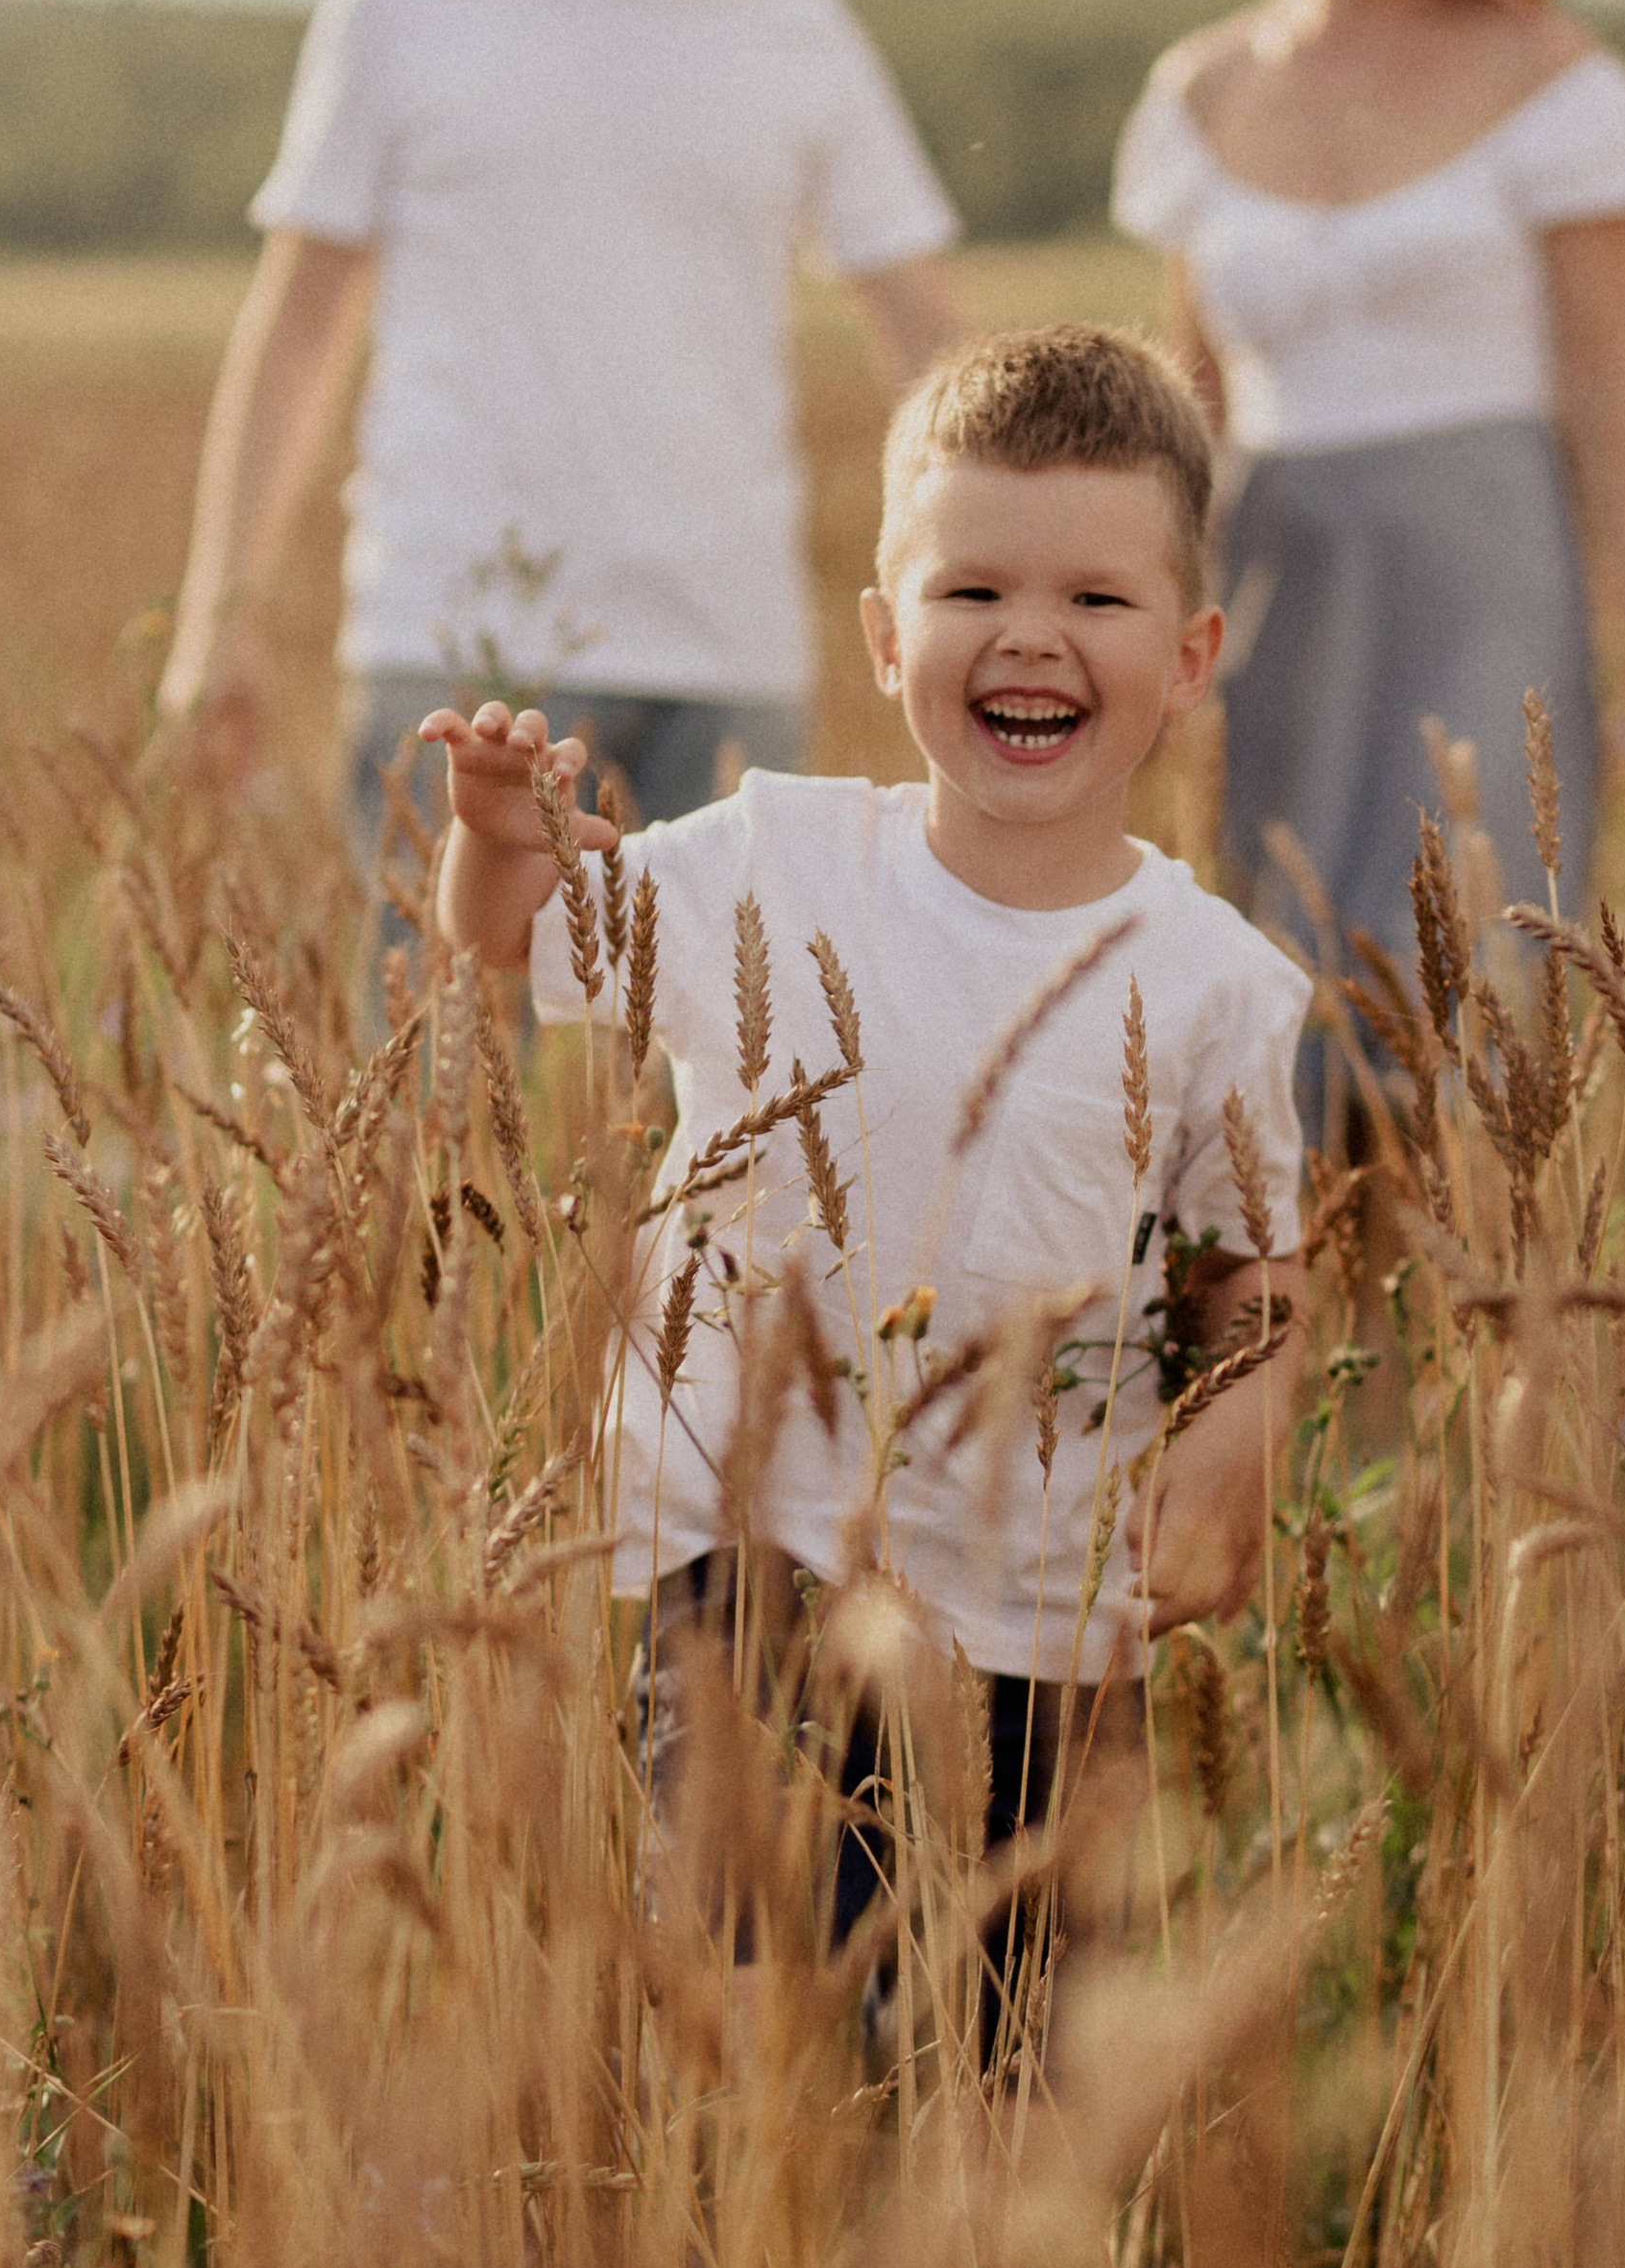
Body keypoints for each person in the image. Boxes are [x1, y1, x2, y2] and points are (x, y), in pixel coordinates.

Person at [426, 326, 1307, 1961]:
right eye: (973, 592)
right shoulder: (774, 864)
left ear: (1189, 657)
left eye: (1094, 602)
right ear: (884, 632)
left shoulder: (1216, 989)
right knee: (761, 2006)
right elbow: (520, 938)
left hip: (1051, 1610)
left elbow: (1256, 1269)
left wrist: (1233, 1442)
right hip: (753, 1564)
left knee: (1014, 2053)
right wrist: (495, 841)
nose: (1028, 637)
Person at [157, 0, 964, 901]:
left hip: (728, 651)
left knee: (721, 1089)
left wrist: (1015, 586)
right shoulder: (406, 6)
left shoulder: (796, 30)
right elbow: (299, 330)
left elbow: (928, 340)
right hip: (462, 650)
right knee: (435, 1082)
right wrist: (219, 618)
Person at [1111, 0, 1625, 974]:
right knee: (1268, 962)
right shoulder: (1200, 94)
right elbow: (1191, 400)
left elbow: (1610, 380)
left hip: (1485, 571)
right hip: (1270, 576)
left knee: (1469, 968)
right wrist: (1133, 619)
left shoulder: (1560, 85)